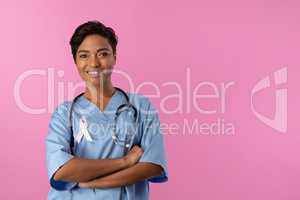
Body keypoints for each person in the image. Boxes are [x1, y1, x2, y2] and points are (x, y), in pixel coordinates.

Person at [45, 20, 168, 199]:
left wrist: (93, 183)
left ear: (114, 57)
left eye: (102, 53)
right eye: (84, 55)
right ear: (75, 61)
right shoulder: (64, 113)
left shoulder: (141, 106)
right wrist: (125, 161)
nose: (94, 63)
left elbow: (152, 165)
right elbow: (62, 170)